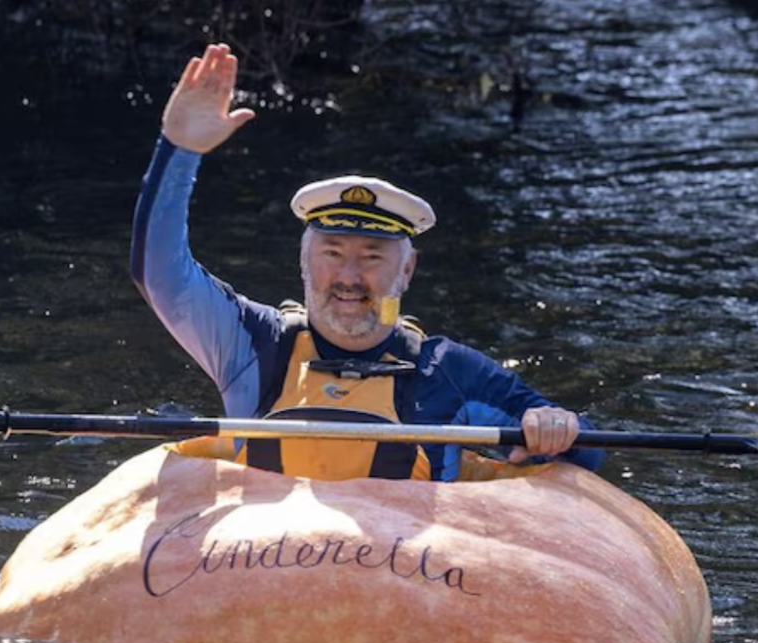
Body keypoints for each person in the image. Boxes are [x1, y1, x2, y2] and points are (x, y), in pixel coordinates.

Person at [131, 43, 604, 481]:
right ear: (304, 262)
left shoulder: (449, 372)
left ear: (407, 270)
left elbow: (588, 452)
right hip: (265, 564)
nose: (350, 277)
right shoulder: (253, 345)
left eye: (373, 257)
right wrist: (180, 151)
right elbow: (160, 276)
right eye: (332, 254)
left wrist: (558, 427)